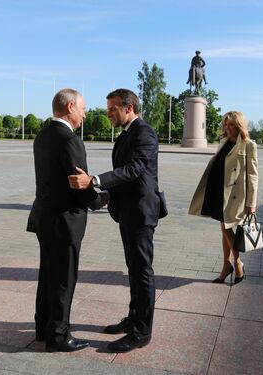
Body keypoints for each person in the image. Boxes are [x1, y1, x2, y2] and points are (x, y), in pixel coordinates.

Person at [68, 88, 164, 353]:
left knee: (142, 271)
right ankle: (134, 319)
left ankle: (141, 332)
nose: (108, 113)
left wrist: (95, 181)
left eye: (112, 109)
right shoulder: (127, 134)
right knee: (134, 268)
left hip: (142, 213)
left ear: (128, 108)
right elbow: (129, 176)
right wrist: (108, 194)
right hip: (129, 211)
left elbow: (134, 169)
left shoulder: (144, 133)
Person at [27, 88, 103, 353]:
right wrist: (101, 200)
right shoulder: (70, 140)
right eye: (82, 108)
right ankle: (58, 336)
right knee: (63, 279)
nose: (84, 113)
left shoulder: (43, 135)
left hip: (44, 217)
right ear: (70, 107)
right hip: (65, 221)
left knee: (47, 273)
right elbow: (78, 183)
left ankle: (43, 327)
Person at [188, 111, 258, 284]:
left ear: (239, 125)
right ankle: (227, 265)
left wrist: (252, 203)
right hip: (218, 190)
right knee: (224, 227)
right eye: (226, 124)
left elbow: (253, 175)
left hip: (235, 195)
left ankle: (237, 262)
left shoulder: (248, 145)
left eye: (231, 124)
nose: (228, 128)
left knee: (226, 228)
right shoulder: (223, 142)